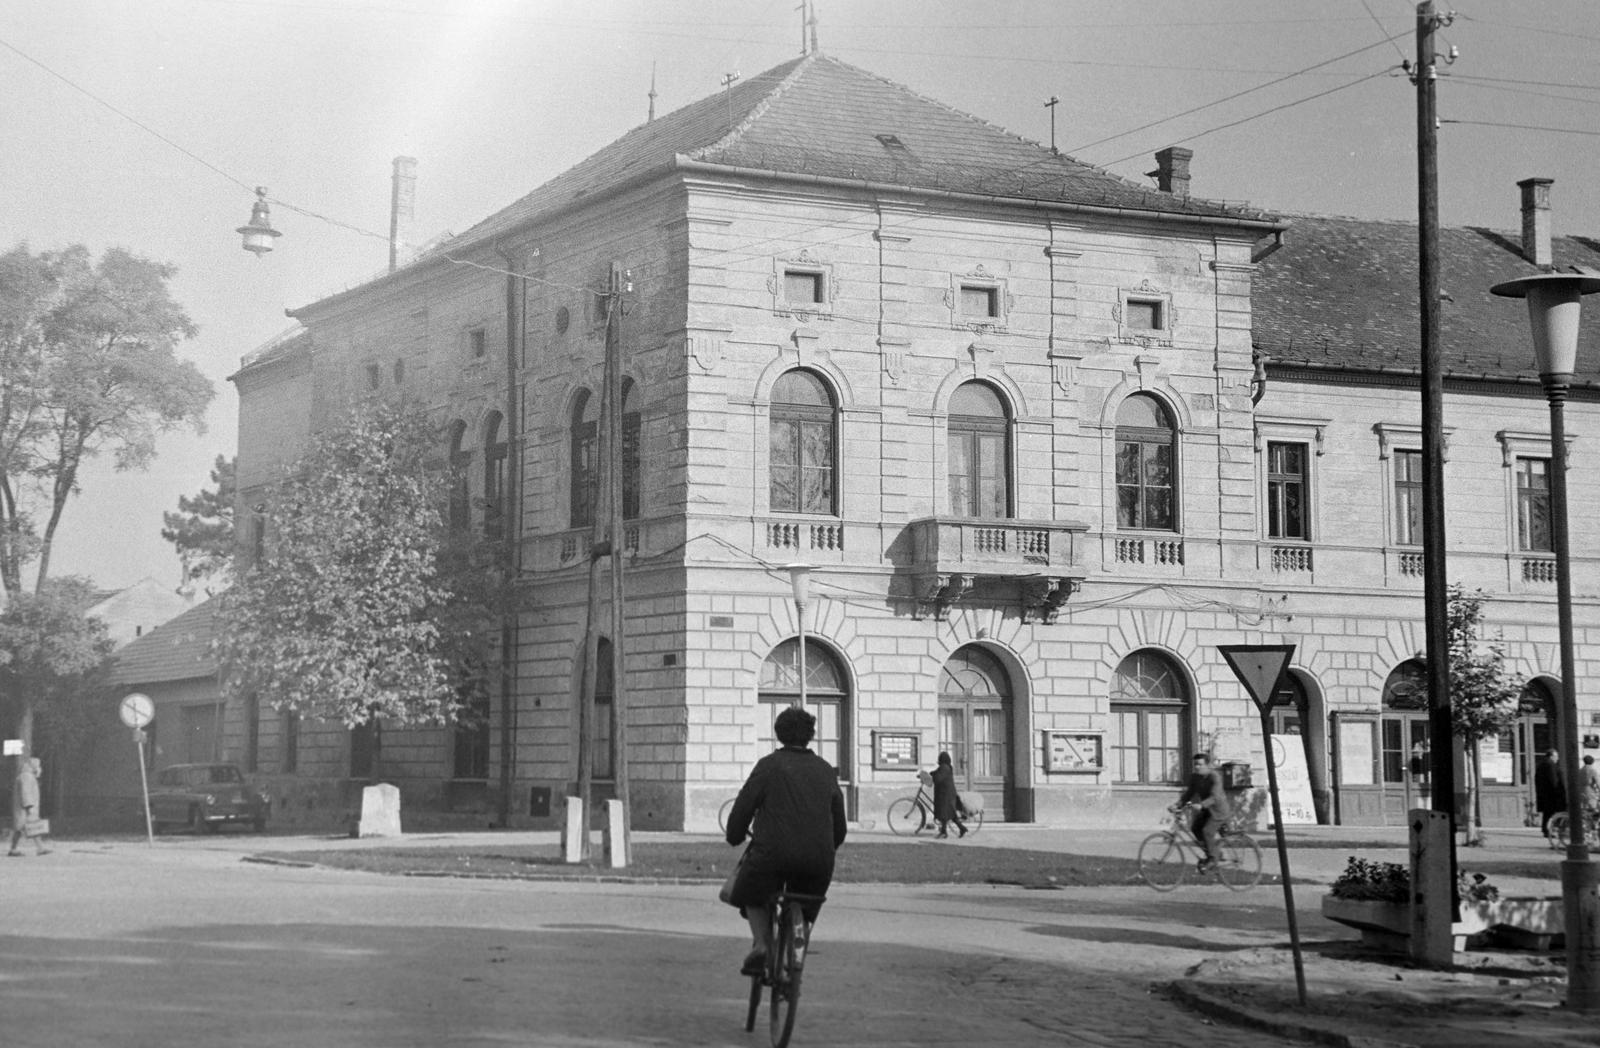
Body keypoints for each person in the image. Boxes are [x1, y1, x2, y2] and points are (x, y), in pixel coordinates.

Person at [724, 706, 847, 975]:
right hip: (818, 859)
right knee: (808, 899)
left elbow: (744, 807)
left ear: (778, 733)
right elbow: (840, 826)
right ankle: (797, 941)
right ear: (810, 736)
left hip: (772, 855)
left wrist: (734, 835)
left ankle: (762, 945)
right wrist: (827, 847)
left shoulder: (768, 765)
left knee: (750, 891)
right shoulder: (826, 770)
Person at [1174, 753, 1230, 871]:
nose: (1197, 767)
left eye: (1200, 765)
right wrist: (1177, 805)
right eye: (1195, 765)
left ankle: (1212, 860)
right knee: (1195, 828)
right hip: (1206, 810)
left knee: (1207, 831)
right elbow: (1189, 793)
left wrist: (1201, 805)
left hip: (1219, 811)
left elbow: (1215, 797)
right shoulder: (1195, 777)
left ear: (1208, 765)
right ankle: (1214, 853)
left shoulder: (1215, 777)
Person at [9, 756, 49, 857]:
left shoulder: (26, 776)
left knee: (26, 828)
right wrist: (29, 807)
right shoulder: (26, 776)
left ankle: (14, 849)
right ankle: (40, 848)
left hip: (24, 808)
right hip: (26, 808)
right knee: (32, 827)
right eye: (38, 766)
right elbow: (25, 793)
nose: (39, 768)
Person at [929, 751, 967, 839]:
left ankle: (944, 832)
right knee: (950, 814)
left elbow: (938, 778)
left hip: (945, 795)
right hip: (947, 794)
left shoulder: (944, 767)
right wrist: (932, 773)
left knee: (944, 814)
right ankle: (962, 828)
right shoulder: (946, 767)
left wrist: (933, 776)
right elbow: (937, 773)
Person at [1535, 749, 1566, 840]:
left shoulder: (1541, 764)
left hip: (1544, 793)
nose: (1557, 759)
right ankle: (1553, 829)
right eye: (1556, 757)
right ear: (1551, 756)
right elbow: (1554, 780)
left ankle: (1546, 829)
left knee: (1547, 813)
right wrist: (1558, 791)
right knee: (1554, 812)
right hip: (1551, 794)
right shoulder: (1550, 765)